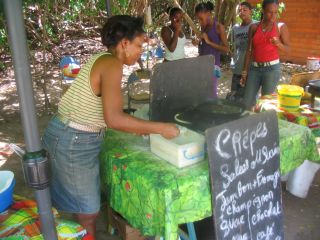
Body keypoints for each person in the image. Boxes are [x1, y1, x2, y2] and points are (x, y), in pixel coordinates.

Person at [42, 15, 179, 238]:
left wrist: (142, 126)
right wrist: (161, 128)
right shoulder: (111, 64)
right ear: (124, 43)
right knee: (88, 211)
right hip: (73, 138)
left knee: (84, 205)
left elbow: (108, 110)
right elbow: (114, 119)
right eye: (138, 45)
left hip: (69, 134)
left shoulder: (104, 59)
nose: (140, 51)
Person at [240, 0, 290, 109]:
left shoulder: (280, 27)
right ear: (263, 11)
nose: (273, 15)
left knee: (266, 104)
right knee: (247, 102)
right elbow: (249, 50)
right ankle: (248, 124)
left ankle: (263, 126)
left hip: (272, 70)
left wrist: (278, 43)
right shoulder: (254, 27)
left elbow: (288, 49)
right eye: (269, 12)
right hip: (254, 69)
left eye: (276, 12)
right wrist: (245, 70)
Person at [194, 2, 229, 97]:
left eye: (201, 19)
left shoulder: (219, 27)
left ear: (209, 14)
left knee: (211, 94)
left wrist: (209, 41)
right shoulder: (203, 27)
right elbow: (204, 44)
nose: (200, 22)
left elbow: (226, 49)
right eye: (198, 19)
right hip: (202, 64)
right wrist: (198, 42)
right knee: (202, 92)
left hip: (213, 66)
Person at [228, 2, 255, 101]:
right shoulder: (235, 28)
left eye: (245, 10)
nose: (242, 12)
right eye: (240, 10)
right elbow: (234, 47)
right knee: (234, 96)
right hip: (237, 67)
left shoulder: (256, 26)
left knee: (249, 98)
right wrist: (233, 62)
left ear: (250, 11)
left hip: (251, 69)